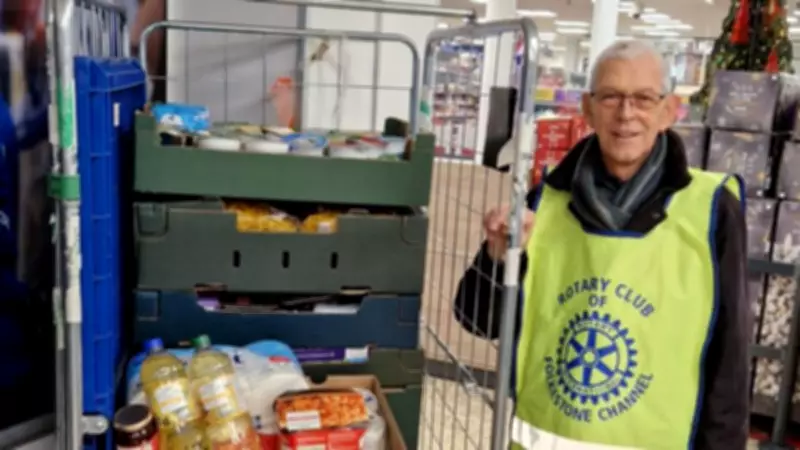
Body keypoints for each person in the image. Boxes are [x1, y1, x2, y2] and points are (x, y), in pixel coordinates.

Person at [454, 40, 749, 449]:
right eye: (610, 96)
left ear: (669, 111)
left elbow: (728, 361)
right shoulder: (545, 202)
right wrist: (497, 254)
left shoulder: (712, 211)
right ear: (588, 108)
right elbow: (476, 319)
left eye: (644, 98)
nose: (626, 114)